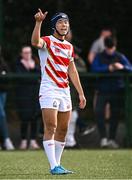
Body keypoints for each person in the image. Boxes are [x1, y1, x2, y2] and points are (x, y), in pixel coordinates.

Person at [31, 9, 86, 175]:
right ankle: (53, 166)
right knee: (51, 126)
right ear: (54, 25)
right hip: (49, 89)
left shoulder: (69, 47)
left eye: (66, 22)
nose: (64, 25)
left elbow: (73, 70)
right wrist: (38, 22)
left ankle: (58, 164)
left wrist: (81, 93)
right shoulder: (47, 41)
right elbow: (35, 42)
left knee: (63, 129)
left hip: (64, 91)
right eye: (61, 22)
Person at [91, 36, 132, 148]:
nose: (110, 50)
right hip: (102, 90)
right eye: (109, 48)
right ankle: (103, 138)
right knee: (99, 113)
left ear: (115, 46)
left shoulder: (120, 56)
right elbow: (94, 68)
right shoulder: (99, 56)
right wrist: (108, 68)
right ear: (105, 47)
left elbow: (130, 68)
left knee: (115, 115)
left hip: (117, 91)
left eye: (112, 48)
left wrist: (122, 67)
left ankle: (112, 139)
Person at [16, 46, 40, 150]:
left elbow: (39, 75)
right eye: (25, 52)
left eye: (29, 52)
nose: (27, 54)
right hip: (23, 95)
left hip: (34, 94)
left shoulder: (36, 63)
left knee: (35, 117)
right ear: (21, 54)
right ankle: (24, 141)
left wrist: (33, 68)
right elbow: (20, 78)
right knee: (24, 118)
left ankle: (33, 141)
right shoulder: (18, 64)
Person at [0, 45, 15, 150]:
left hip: (2, 92)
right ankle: (6, 139)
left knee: (1, 114)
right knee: (1, 113)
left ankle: (5, 140)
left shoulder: (3, 62)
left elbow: (7, 76)